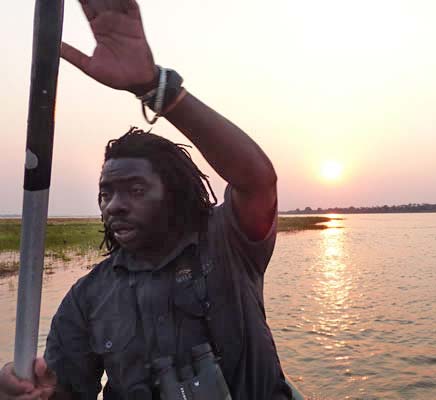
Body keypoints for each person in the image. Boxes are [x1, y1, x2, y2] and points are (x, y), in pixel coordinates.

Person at [0, 1, 291, 399]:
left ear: (173, 195)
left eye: (135, 190)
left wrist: (155, 87)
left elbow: (257, 180)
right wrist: (40, 393)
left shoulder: (226, 243)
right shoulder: (88, 298)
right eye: (106, 192)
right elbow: (69, 391)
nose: (113, 205)